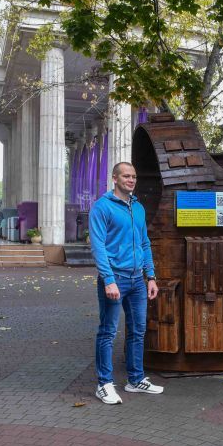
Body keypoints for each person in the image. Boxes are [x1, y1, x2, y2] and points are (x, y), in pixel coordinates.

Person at [89, 162, 163, 405]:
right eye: (126, 176)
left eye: (134, 176)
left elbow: (144, 243)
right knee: (108, 332)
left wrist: (150, 276)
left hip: (137, 281)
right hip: (115, 279)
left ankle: (135, 380)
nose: (131, 180)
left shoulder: (138, 208)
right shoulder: (102, 207)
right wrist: (109, 280)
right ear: (114, 178)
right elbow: (98, 246)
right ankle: (104, 384)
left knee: (138, 331)